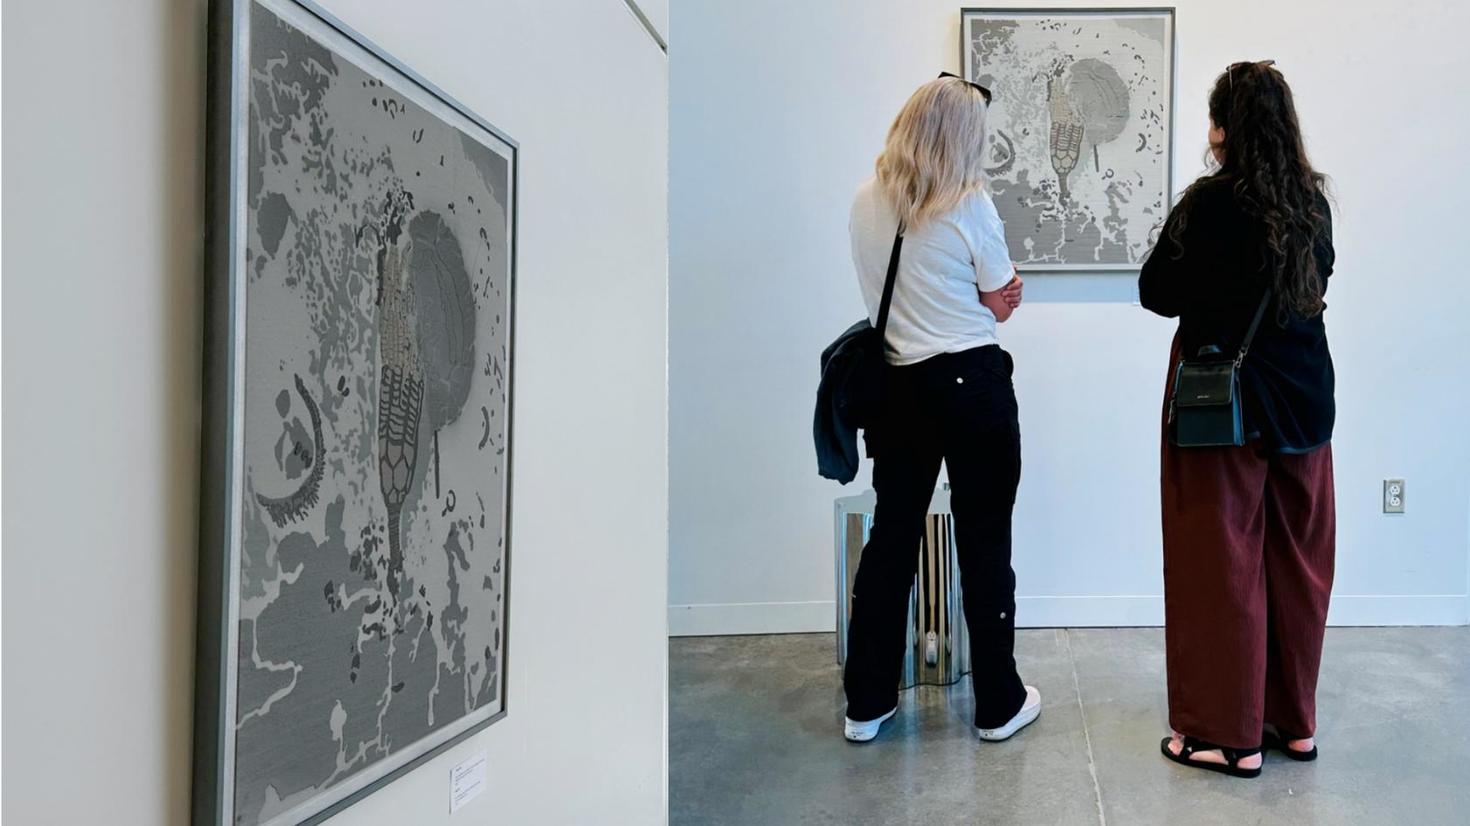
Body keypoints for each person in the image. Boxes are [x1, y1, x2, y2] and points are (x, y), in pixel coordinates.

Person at [1140, 61, 1336, 778]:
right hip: (1305, 405)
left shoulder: (1208, 204)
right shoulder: (1311, 203)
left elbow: (1155, 292)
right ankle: (1293, 723)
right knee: (1297, 568)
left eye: (1214, 120)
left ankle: (1228, 734)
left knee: (1217, 565)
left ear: (1225, 129)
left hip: (1219, 408)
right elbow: (1319, 282)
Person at [842, 73, 1039, 744]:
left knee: (891, 539)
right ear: (964, 138)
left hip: (899, 388)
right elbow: (997, 301)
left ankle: (866, 704)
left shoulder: (866, 202)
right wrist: (1000, 297)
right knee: (984, 540)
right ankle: (997, 706)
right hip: (972, 385)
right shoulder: (970, 204)